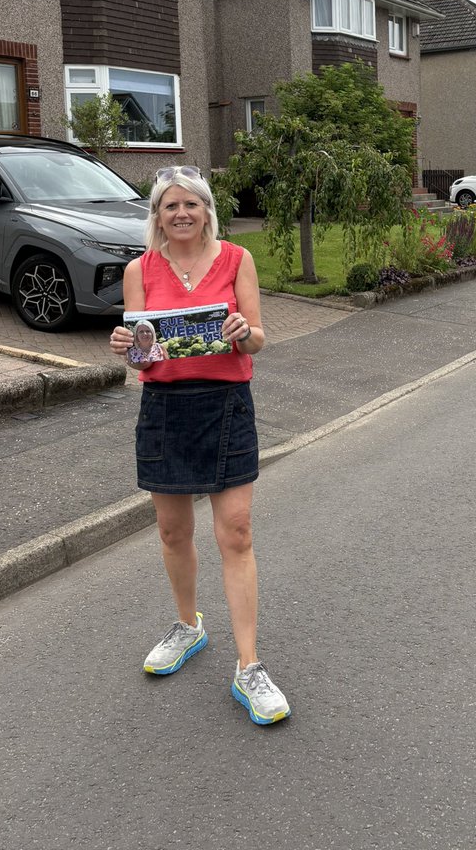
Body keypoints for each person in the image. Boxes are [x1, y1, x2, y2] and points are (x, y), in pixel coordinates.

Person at [110, 165, 290, 726]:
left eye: (192, 204)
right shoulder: (139, 269)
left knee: (235, 532)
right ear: (157, 216)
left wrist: (244, 332)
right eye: (170, 206)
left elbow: (258, 338)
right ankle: (189, 626)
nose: (182, 213)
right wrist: (125, 346)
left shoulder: (237, 260)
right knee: (172, 530)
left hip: (227, 404)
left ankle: (249, 666)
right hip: (165, 408)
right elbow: (144, 353)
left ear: (208, 210)